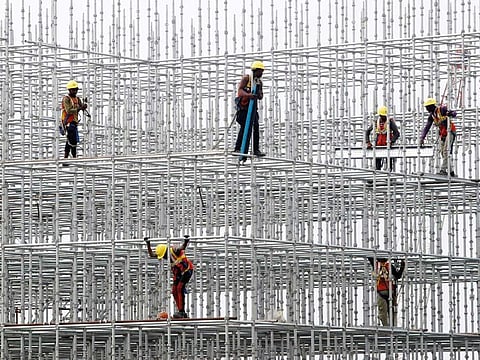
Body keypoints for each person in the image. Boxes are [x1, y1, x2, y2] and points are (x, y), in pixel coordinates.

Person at [145, 235, 194, 319]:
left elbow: (182, 247)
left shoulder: (174, 251)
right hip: (178, 273)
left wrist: (186, 241)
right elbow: (152, 254)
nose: (164, 258)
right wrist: (148, 244)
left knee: (179, 288)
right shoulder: (166, 255)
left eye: (164, 256)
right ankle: (180, 311)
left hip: (187, 270)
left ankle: (182, 312)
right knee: (174, 291)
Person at [234, 60, 266, 157]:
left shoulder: (259, 82)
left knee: (256, 127)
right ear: (255, 70)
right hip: (244, 109)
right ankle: (238, 148)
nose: (261, 74)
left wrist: (259, 93)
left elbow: (261, 96)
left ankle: (256, 149)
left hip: (252, 110)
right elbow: (240, 91)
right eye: (260, 71)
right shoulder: (246, 79)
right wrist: (249, 95)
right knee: (245, 128)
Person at [420, 98, 457, 176]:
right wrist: (422, 138)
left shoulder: (442, 109)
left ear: (431, 106)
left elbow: (454, 113)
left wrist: (450, 114)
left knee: (446, 151)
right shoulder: (432, 116)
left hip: (450, 131)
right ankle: (451, 171)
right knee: (443, 153)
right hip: (443, 134)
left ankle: (443, 170)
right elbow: (427, 127)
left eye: (427, 107)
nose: (426, 109)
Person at [367, 257, 405, 327]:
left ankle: (389, 328)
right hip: (388, 292)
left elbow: (370, 257)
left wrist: (402, 267)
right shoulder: (386, 266)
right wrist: (402, 267)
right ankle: (390, 328)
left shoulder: (378, 265)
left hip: (384, 293)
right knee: (388, 313)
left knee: (385, 313)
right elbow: (398, 275)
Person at [365, 106, 400, 171]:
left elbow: (397, 133)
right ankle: (377, 178)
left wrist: (392, 141)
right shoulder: (376, 122)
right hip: (378, 145)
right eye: (382, 116)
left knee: (389, 163)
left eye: (384, 116)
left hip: (387, 145)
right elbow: (367, 131)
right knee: (377, 164)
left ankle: (388, 178)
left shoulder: (390, 122)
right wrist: (368, 142)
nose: (383, 117)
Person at [61, 80, 87, 161]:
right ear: (69, 90)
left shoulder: (77, 99)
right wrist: (79, 108)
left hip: (74, 122)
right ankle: (73, 156)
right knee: (72, 139)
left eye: (76, 89)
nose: (74, 91)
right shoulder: (66, 99)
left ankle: (66, 157)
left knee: (71, 139)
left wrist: (84, 105)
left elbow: (81, 106)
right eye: (73, 89)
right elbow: (68, 110)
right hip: (68, 122)